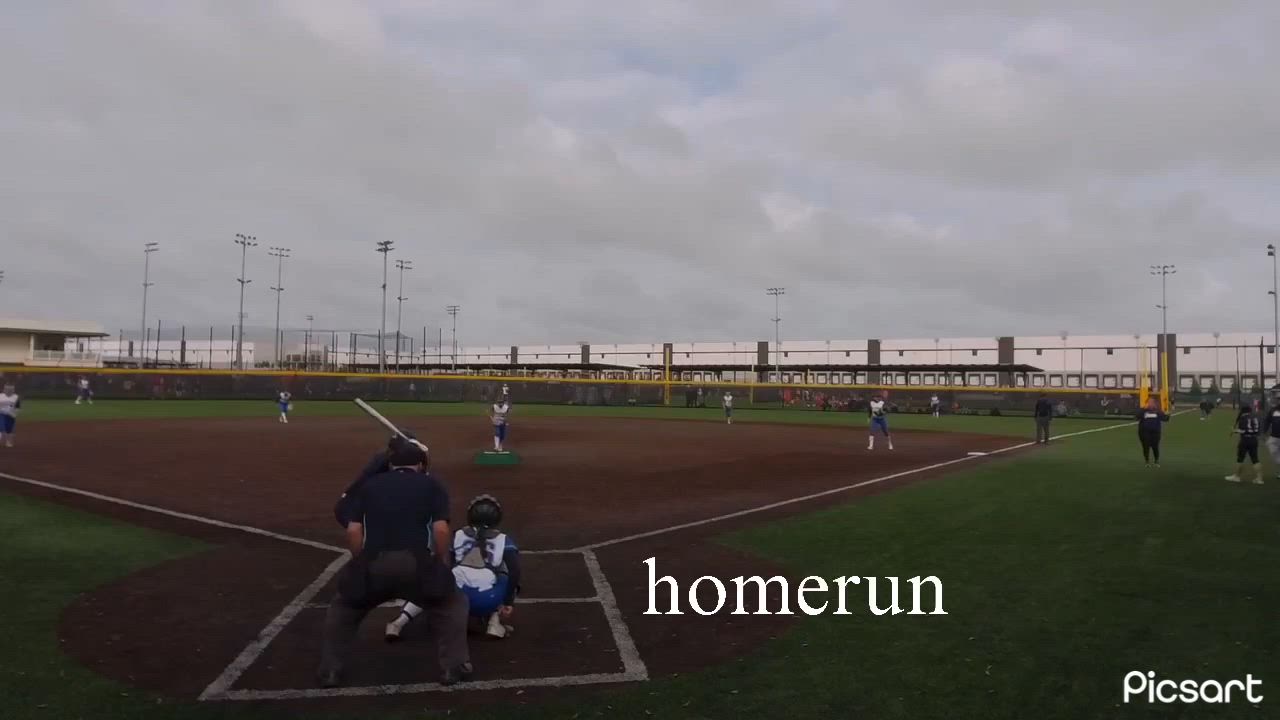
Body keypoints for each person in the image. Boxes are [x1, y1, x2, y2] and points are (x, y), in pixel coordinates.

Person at [318, 442, 471, 688]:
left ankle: (330, 670)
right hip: (416, 564)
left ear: (390, 464)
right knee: (452, 604)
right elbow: (441, 529)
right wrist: (441, 562)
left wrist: (360, 561)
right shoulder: (432, 484)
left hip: (374, 563)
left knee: (343, 608)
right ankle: (454, 667)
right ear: (420, 464)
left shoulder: (369, 485)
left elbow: (353, 530)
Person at [443, 495, 521, 638]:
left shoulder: (458, 534)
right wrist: (508, 602)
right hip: (486, 601)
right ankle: (494, 622)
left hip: (454, 599)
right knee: (504, 570)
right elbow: (515, 571)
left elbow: (445, 565)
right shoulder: (503, 539)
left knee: (443, 574)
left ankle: (401, 620)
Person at [1225, 403, 1263, 484]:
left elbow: (1243, 430)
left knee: (1240, 459)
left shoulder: (1243, 418)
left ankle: (1236, 477)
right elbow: (1257, 430)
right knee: (1255, 459)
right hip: (1254, 439)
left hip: (1245, 440)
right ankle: (1259, 479)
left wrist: (1234, 431)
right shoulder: (1255, 417)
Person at [1136, 398, 1170, 467]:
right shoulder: (1143, 410)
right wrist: (1144, 409)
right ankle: (1147, 461)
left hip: (1155, 432)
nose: (1151, 404)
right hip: (1144, 432)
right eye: (1149, 402)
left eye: (1152, 402)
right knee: (1146, 446)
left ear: (1155, 403)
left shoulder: (1158, 411)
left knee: (1155, 447)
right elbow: (1137, 417)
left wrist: (1168, 414)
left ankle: (1156, 461)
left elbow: (1165, 419)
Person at [1263, 390, 1280, 481]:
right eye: (1278, 399)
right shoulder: (1273, 410)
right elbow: (1267, 421)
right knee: (1272, 451)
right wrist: (1264, 432)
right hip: (1274, 436)